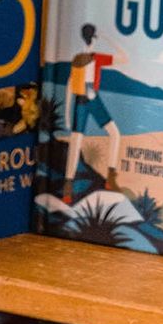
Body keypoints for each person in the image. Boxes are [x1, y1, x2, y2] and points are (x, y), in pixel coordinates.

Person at [62, 23, 124, 204]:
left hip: (84, 101)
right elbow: (124, 57)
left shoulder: (80, 58)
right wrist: (106, 37)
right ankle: (106, 180)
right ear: (94, 38)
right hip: (87, 100)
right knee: (81, 143)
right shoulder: (92, 58)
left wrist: (67, 115)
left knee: (78, 143)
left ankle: (107, 181)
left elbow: (68, 86)